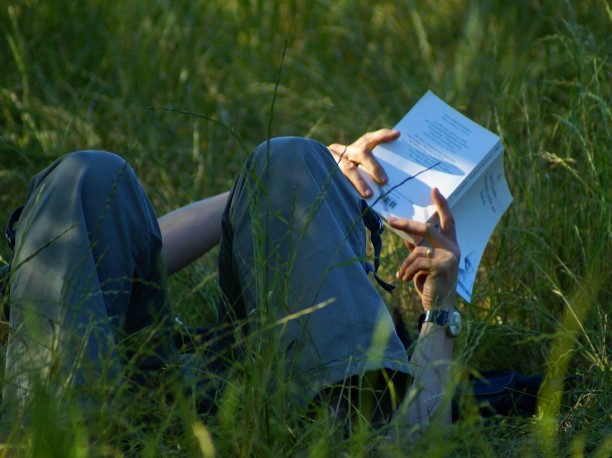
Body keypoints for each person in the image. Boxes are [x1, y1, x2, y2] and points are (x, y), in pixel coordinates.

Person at [2, 129, 461, 430]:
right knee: (84, 176)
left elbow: (111, 250)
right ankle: (51, 455)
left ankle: (356, 436)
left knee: (289, 157)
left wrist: (290, 187)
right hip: (77, 396)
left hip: (199, 382)